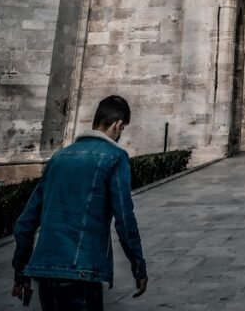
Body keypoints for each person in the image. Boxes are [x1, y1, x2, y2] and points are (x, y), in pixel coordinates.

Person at [12, 95, 148, 310]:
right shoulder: (114, 156)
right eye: (123, 129)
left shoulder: (58, 158)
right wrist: (139, 266)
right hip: (82, 271)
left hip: (44, 273)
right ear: (118, 125)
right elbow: (124, 218)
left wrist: (20, 274)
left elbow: (24, 224)